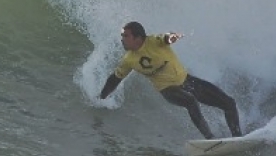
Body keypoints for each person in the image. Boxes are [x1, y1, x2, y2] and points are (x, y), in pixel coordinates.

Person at [99, 21, 242, 139]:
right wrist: (102, 97)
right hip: (168, 90)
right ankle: (210, 139)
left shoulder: (153, 41)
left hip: (187, 81)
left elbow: (165, 38)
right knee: (190, 101)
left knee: (229, 103)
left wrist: (172, 36)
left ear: (138, 38)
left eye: (126, 36)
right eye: (122, 35)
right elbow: (115, 79)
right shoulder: (128, 60)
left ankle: (238, 139)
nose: (122, 39)